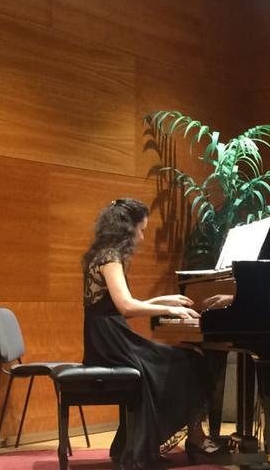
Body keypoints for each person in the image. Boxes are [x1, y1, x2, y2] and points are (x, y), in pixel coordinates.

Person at [81, 197, 226, 469]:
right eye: (142, 229)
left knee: (187, 356)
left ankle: (190, 437)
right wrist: (166, 309)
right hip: (112, 341)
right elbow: (125, 307)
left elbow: (115, 305)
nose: (142, 236)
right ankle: (193, 438)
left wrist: (166, 301)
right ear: (127, 228)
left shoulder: (101, 254)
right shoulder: (110, 257)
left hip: (105, 337)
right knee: (191, 358)